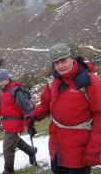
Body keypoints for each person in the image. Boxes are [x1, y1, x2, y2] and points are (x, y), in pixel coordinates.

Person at [27, 43, 101, 174]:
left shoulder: (89, 81)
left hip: (79, 147)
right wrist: (33, 116)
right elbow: (45, 105)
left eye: (63, 60)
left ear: (72, 58)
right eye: (56, 63)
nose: (60, 66)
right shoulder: (53, 82)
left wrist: (95, 148)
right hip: (57, 145)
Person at [0, 70, 37, 174]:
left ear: (7, 79)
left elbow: (27, 108)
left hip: (15, 124)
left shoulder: (16, 92)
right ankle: (31, 151)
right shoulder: (3, 93)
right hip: (8, 124)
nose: (0, 83)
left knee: (7, 148)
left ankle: (8, 170)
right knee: (16, 142)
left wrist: (30, 124)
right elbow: (1, 107)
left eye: (2, 80)